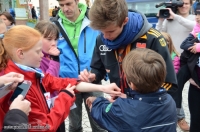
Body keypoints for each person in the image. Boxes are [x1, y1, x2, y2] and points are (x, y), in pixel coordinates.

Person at [0, 25, 121, 132]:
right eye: (38, 51)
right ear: (20, 53)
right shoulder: (18, 86)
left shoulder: (30, 73)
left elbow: (61, 82)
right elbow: (44, 127)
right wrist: (65, 97)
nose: (42, 55)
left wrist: (103, 88)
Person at [79, 0, 177, 103]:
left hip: (146, 109)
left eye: (110, 31)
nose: (106, 37)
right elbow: (98, 69)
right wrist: (92, 76)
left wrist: (135, 101)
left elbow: (169, 83)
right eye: (101, 31)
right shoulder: (101, 39)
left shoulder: (152, 38)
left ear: (125, 21)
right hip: (119, 105)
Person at [86, 48, 177, 132]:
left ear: (131, 83)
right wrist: (128, 99)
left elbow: (101, 112)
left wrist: (95, 100)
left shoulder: (122, 109)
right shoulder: (169, 101)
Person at [55, 0, 105, 131]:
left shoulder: (94, 21)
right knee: (74, 125)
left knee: (99, 123)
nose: (65, 9)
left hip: (92, 78)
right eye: (61, 5)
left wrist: (98, 72)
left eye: (68, 3)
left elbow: (103, 47)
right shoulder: (55, 25)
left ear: (77, 1)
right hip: (68, 83)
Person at [155, 0, 194, 130]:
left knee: (193, 90)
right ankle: (180, 117)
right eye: (181, 3)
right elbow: (158, 33)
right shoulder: (168, 20)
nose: (183, 6)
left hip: (191, 59)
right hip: (174, 59)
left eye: (186, 3)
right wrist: (161, 19)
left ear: (191, 4)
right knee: (175, 88)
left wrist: (175, 16)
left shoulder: (194, 18)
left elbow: (193, 27)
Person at [176, 3, 200, 131]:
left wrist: (197, 47)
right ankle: (176, 106)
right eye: (197, 13)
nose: (197, 17)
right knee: (195, 121)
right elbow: (184, 44)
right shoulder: (196, 29)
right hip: (195, 85)